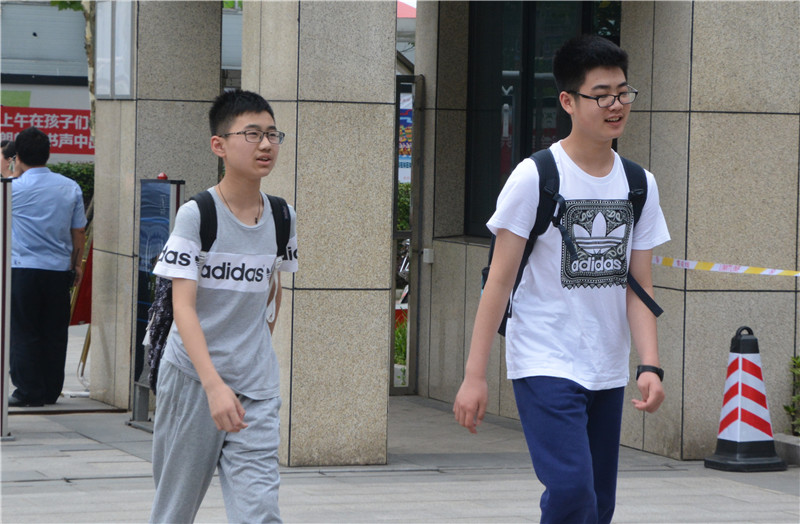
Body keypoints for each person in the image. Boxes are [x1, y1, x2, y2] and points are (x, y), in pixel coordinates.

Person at [453, 35, 671, 524]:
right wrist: (474, 375)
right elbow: (498, 283)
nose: (616, 105)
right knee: (572, 488)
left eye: (623, 92)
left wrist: (650, 364)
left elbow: (639, 285)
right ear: (569, 101)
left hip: (606, 363)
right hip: (544, 356)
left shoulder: (639, 184)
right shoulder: (535, 177)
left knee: (598, 503)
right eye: (602, 95)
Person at [149, 89, 298, 524]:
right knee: (174, 511)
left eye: (272, 134)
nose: (266, 144)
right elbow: (183, 307)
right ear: (219, 145)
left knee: (260, 511)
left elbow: (273, 288)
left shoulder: (283, 216)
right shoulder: (197, 214)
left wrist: (255, 350)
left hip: (256, 386)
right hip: (193, 379)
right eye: (252, 134)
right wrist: (214, 384)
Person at [9, 127, 87, 407]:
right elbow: (78, 231)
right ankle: (51, 389)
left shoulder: (13, 189)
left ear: (18, 156)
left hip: (23, 269)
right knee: (55, 331)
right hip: (58, 271)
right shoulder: (70, 187)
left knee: (24, 330)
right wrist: (76, 265)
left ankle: (28, 391)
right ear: (48, 154)